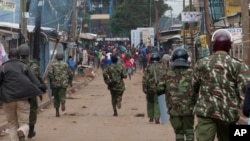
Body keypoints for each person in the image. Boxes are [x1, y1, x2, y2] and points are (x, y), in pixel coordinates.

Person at [192, 29, 250, 141]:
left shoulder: (201, 63)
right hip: (229, 113)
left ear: (213, 45)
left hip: (205, 111)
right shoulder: (238, 65)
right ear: (230, 46)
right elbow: (245, 90)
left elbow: (194, 86)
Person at [0, 48, 45, 141]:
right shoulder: (24, 66)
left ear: (8, 56)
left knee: (12, 124)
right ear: (18, 56)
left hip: (8, 100)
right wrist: (41, 88)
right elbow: (35, 81)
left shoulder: (3, 67)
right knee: (24, 123)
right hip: (22, 99)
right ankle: (22, 131)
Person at [157, 47, 195, 141]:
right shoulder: (193, 73)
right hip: (189, 108)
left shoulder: (167, 74)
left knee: (179, 132)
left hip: (173, 108)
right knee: (189, 131)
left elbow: (159, 89)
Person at [18, 44, 45, 139]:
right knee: (33, 110)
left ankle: (21, 129)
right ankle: (31, 131)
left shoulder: (17, 65)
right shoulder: (34, 66)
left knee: (20, 110)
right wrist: (41, 91)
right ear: (28, 53)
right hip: (32, 92)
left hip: (19, 93)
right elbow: (38, 79)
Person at [48, 52, 72, 117]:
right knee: (62, 95)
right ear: (62, 57)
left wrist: (52, 81)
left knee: (56, 98)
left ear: (56, 57)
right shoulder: (65, 64)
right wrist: (70, 81)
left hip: (55, 84)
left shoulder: (52, 65)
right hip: (64, 83)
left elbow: (50, 74)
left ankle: (57, 112)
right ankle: (63, 101)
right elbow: (70, 74)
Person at [142, 53, 162, 124]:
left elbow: (145, 79)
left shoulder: (148, 67)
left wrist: (144, 88)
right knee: (157, 102)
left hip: (150, 88)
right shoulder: (162, 67)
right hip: (160, 88)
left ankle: (151, 117)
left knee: (150, 102)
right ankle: (157, 117)